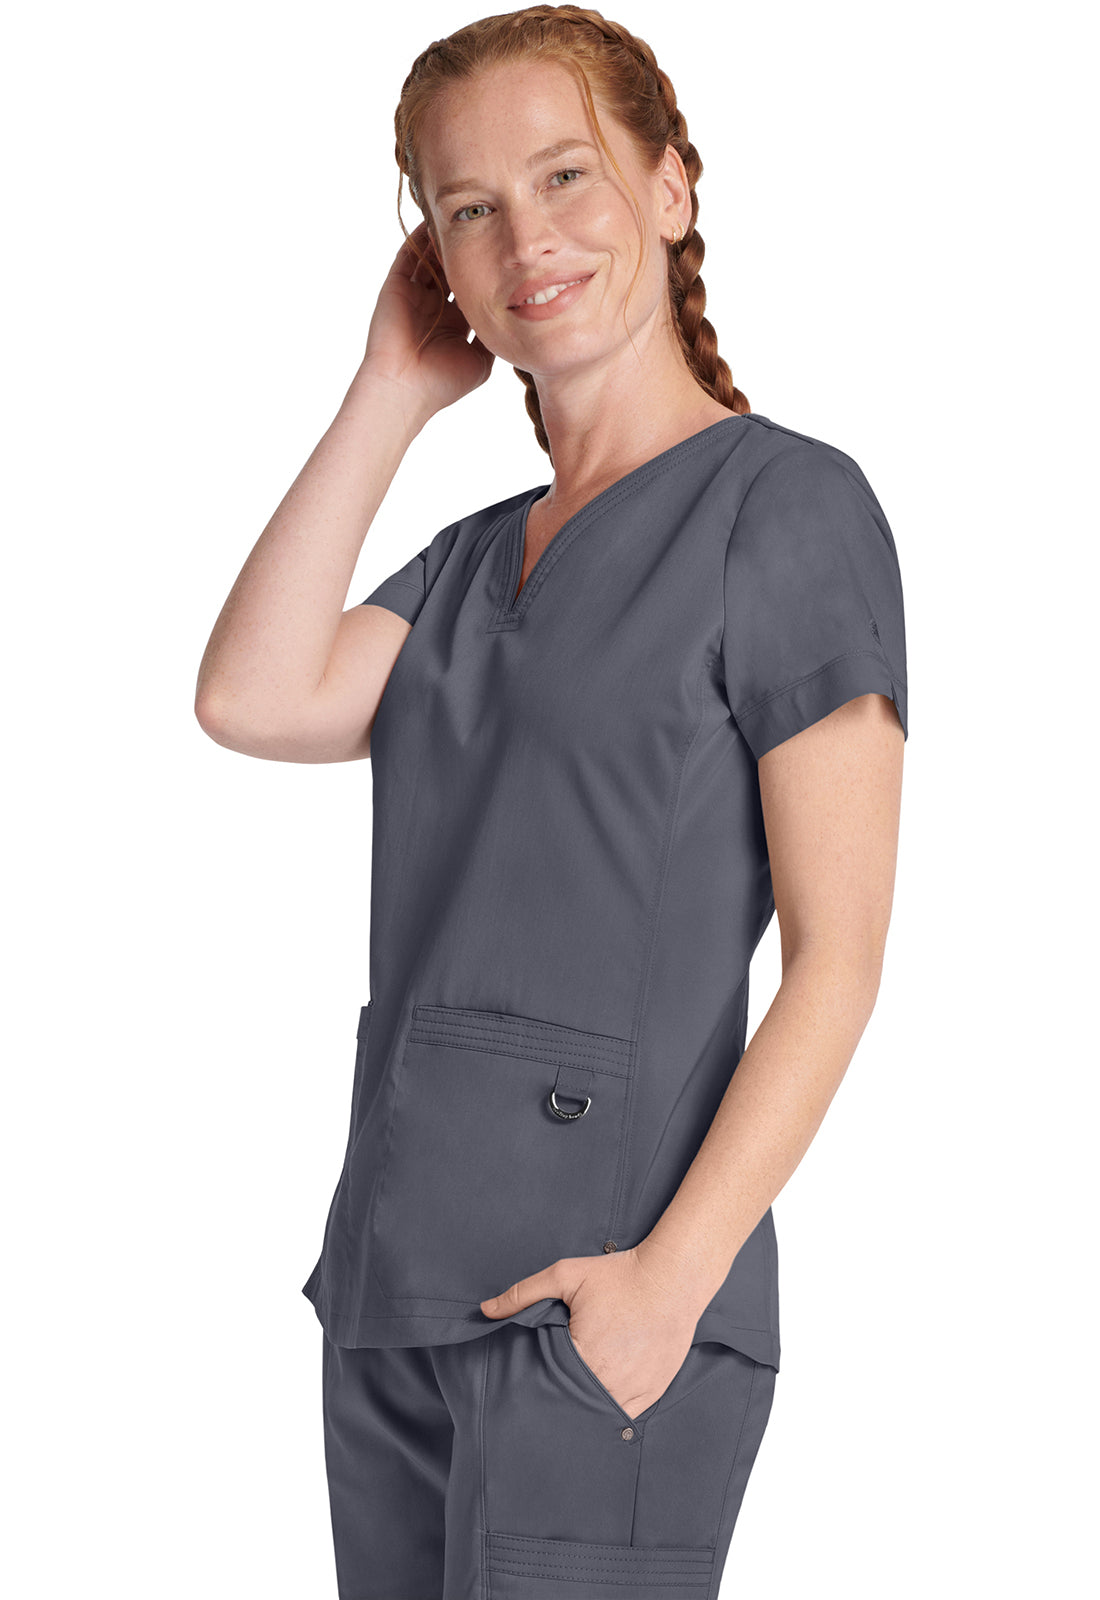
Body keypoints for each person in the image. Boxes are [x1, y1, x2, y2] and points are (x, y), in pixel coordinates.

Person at [195, 6, 909, 1596]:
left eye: (567, 174)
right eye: (470, 208)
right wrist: (390, 390)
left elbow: (841, 960)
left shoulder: (787, 511)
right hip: (393, 1285)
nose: (526, 239)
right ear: (434, 261)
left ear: (672, 185)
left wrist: (669, 1285)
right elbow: (250, 695)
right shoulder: (468, 561)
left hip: (603, 1301)